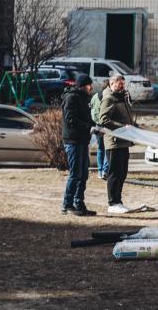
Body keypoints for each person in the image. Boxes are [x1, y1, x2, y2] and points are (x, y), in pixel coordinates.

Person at [98, 74, 136, 214]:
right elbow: (103, 119)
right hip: (114, 142)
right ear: (112, 83)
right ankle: (112, 203)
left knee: (122, 173)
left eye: (123, 84)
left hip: (124, 141)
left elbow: (126, 118)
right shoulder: (109, 98)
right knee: (114, 173)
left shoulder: (121, 97)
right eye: (119, 84)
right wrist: (122, 127)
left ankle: (118, 201)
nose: (122, 87)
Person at [61, 75, 96, 216]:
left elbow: (86, 118)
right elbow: (70, 120)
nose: (91, 88)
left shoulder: (85, 98)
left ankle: (79, 203)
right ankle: (67, 204)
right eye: (89, 85)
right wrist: (88, 127)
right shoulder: (71, 98)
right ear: (83, 85)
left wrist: (95, 126)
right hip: (73, 141)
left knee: (83, 174)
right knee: (75, 174)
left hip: (83, 140)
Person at [89, 82, 109, 179]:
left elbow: (91, 108)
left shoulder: (95, 96)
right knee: (107, 148)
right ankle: (105, 170)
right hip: (106, 126)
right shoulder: (108, 97)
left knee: (100, 148)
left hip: (97, 125)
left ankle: (100, 171)